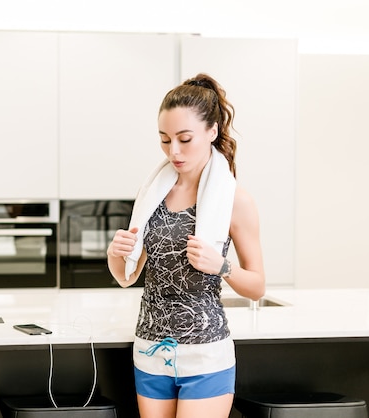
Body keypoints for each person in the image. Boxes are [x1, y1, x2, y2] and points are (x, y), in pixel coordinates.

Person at [107, 73, 265, 418]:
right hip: (150, 349)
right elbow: (130, 274)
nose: (173, 151)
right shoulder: (152, 195)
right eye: (165, 140)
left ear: (212, 131)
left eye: (184, 139)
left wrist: (222, 266)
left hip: (206, 352)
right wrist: (115, 253)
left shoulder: (236, 201)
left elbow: (257, 286)